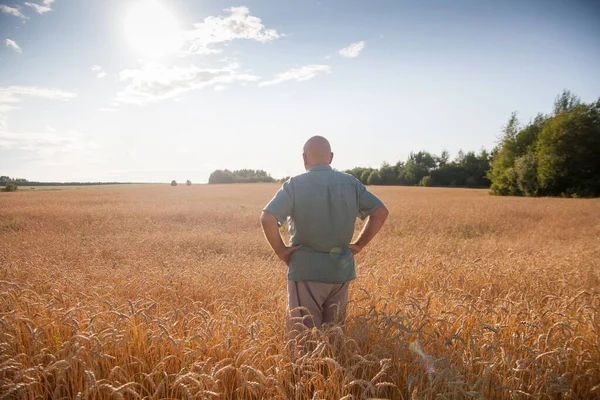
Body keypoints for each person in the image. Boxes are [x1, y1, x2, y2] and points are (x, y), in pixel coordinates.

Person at [260, 136, 389, 333]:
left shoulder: (295, 184)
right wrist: (358, 245)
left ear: (304, 158)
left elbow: (267, 218)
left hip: (306, 270)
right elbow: (380, 212)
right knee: (334, 336)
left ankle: (310, 366)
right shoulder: (351, 183)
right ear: (331, 157)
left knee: (305, 340)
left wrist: (281, 251)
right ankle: (331, 365)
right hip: (341, 272)